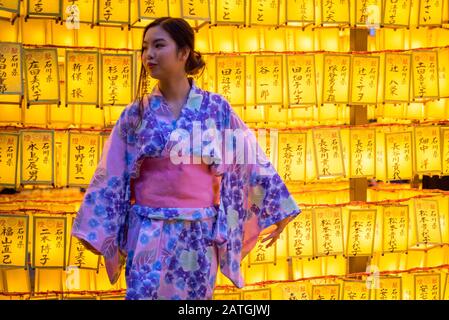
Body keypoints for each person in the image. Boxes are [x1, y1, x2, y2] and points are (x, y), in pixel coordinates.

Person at [71, 17, 301, 300]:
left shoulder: (216, 108)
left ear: (183, 53)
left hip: (198, 232)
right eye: (144, 48)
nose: (148, 55)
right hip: (148, 230)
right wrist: (98, 228)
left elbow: (248, 159)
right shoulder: (135, 114)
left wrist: (278, 206)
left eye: (158, 46)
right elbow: (113, 171)